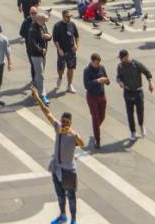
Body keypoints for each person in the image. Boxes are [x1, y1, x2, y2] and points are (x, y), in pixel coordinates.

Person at [35, 91, 83, 224]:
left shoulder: (73, 135)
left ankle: (73, 219)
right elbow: (47, 113)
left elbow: (82, 143)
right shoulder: (58, 128)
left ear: (71, 123)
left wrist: (72, 133)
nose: (64, 124)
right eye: (63, 121)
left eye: (66, 122)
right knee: (60, 195)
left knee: (71, 196)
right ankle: (63, 215)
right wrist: (38, 98)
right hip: (56, 167)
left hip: (68, 170)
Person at [115, 49, 152, 140]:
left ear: (127, 57)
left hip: (138, 91)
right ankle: (132, 131)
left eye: (122, 58)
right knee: (129, 113)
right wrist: (120, 82)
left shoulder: (136, 64)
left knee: (140, 111)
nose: (120, 60)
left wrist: (150, 83)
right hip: (127, 91)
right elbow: (118, 76)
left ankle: (141, 125)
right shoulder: (120, 66)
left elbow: (147, 72)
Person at [81, 53, 109, 148]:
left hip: (101, 96)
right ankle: (97, 139)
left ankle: (95, 128)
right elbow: (86, 84)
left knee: (102, 116)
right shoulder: (87, 70)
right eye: (96, 63)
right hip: (92, 96)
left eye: (99, 63)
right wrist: (98, 81)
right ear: (92, 61)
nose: (98, 65)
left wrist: (106, 81)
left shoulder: (101, 68)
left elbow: (106, 79)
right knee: (95, 117)